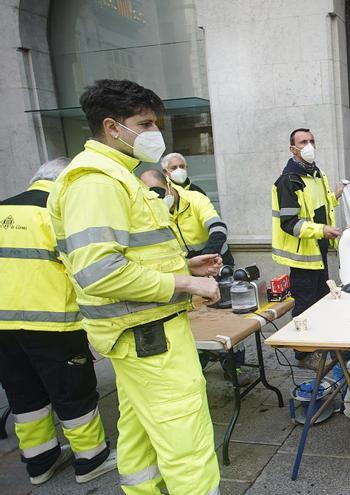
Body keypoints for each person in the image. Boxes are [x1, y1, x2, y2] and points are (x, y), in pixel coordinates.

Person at [47, 79, 223, 494]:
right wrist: (184, 283)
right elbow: (99, 271)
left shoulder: (117, 178)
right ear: (111, 127)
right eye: (144, 124)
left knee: (141, 435)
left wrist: (185, 264)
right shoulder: (96, 182)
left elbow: (132, 256)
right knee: (188, 444)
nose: (153, 134)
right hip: (148, 337)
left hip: (141, 336)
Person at [0, 158, 118, 486]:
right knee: (73, 393)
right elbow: (83, 271)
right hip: (54, 325)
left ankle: (40, 463)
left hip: (2, 330)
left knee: (24, 396)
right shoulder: (57, 212)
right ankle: (91, 459)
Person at [271, 128, 343, 370]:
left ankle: (318, 345)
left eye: (312, 140)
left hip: (318, 250)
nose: (309, 144)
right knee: (304, 304)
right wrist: (321, 230)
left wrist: (336, 196)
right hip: (302, 255)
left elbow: (317, 206)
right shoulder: (289, 180)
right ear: (293, 149)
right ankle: (304, 355)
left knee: (321, 299)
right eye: (303, 142)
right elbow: (289, 222)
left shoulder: (316, 174)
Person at [140, 169, 234, 267]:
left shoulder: (195, 198)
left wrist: (207, 256)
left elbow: (218, 228)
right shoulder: (153, 212)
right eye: (151, 196)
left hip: (218, 259)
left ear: (169, 184)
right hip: (189, 266)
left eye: (159, 192)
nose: (158, 199)